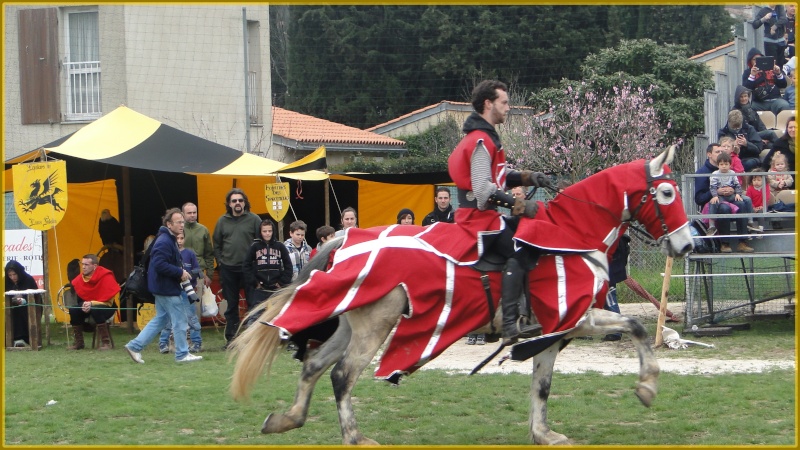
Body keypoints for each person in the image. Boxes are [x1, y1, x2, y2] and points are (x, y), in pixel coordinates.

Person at [446, 79, 548, 345]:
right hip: (478, 219)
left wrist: (528, 177)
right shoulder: (480, 140)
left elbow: (499, 179)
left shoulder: (485, 137)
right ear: (488, 104)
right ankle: (511, 325)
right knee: (521, 250)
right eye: (504, 102)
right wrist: (521, 206)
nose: (508, 108)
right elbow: (482, 190)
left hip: (487, 217)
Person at [124, 208, 202, 364]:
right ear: (169, 224)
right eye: (178, 222)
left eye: (182, 221)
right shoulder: (165, 241)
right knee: (179, 320)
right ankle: (182, 354)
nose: (182, 225)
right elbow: (159, 264)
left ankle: (135, 346)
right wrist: (179, 272)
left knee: (160, 319)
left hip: (161, 287)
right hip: (167, 288)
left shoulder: (166, 238)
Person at [212, 188, 262, 349]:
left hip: (249, 268)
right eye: (234, 201)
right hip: (228, 269)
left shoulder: (254, 219)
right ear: (229, 204)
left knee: (253, 304)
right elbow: (217, 244)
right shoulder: (222, 221)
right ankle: (231, 340)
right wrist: (220, 262)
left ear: (245, 202)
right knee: (231, 306)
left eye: (240, 200)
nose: (237, 203)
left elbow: (262, 242)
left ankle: (253, 339)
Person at [694, 143, 755, 254]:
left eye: (722, 152)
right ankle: (724, 243)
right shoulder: (702, 173)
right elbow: (699, 198)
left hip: (730, 198)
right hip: (715, 203)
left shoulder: (730, 171)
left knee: (741, 203)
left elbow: (736, 184)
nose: (721, 154)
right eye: (717, 152)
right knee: (724, 208)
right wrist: (716, 193)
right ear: (709, 154)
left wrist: (732, 190)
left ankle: (743, 241)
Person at [158, 232, 203, 354]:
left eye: (181, 238)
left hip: (187, 291)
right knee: (167, 318)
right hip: (172, 290)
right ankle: (163, 343)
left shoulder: (190, 254)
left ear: (185, 239)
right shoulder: (170, 254)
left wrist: (188, 276)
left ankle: (196, 342)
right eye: (177, 238)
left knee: (191, 317)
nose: (179, 240)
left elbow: (198, 271)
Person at [242, 219, 292, 326]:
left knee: (278, 314)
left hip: (276, 288)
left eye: (269, 231)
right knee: (255, 315)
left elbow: (288, 266)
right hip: (260, 288)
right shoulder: (255, 246)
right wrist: (254, 282)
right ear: (260, 232)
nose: (267, 233)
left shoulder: (280, 246)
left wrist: (282, 282)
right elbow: (246, 265)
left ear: (273, 231)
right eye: (265, 231)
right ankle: (251, 336)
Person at [66, 254, 120, 350]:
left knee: (95, 309)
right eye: (82, 264)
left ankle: (106, 343)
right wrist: (84, 305)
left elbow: (108, 299)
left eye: (86, 264)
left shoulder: (106, 276)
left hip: (106, 307)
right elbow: (81, 299)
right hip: (87, 306)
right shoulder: (80, 278)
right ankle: (79, 343)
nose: (83, 267)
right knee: (74, 310)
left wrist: (91, 304)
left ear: (95, 266)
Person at [707, 152, 756, 252]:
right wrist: (716, 194)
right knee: (717, 205)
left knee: (743, 202)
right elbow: (712, 187)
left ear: (730, 165)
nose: (724, 166)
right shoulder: (715, 174)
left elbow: (737, 185)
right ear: (718, 165)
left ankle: (744, 238)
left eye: (726, 164)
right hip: (720, 197)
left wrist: (737, 193)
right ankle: (716, 232)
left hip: (732, 195)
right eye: (721, 164)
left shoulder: (732, 173)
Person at [181, 202, 215, 309]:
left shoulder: (203, 230)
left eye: (194, 212)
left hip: (199, 273)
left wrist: (209, 274)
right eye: (189, 213)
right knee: (181, 304)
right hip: (181, 273)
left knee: (197, 307)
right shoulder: (178, 229)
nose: (192, 215)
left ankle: (196, 325)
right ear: (183, 214)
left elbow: (209, 254)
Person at [4, 260, 43, 348]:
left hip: (27, 308)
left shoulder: (28, 279)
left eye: (14, 274)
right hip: (9, 308)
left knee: (19, 310)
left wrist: (24, 301)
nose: (12, 277)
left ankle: (22, 338)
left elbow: (36, 298)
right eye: (10, 275)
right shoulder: (5, 281)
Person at [742, 47, 791, 115]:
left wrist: (778, 73)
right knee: (748, 108)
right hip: (759, 102)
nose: (756, 62)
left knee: (785, 105)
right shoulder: (748, 72)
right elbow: (745, 89)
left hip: (775, 100)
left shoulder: (771, 69)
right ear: (750, 61)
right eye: (754, 60)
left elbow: (783, 85)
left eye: (759, 59)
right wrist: (752, 75)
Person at [602, 233, 631, 342]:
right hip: (607, 273)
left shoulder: (609, 236)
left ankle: (615, 332)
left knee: (610, 301)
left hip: (606, 274)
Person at [753, 4, 789, 69]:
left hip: (781, 40)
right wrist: (764, 18)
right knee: (771, 65)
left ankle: (779, 77)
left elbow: (784, 19)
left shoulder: (779, 7)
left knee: (780, 65)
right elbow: (755, 24)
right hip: (770, 42)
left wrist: (774, 27)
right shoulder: (763, 10)